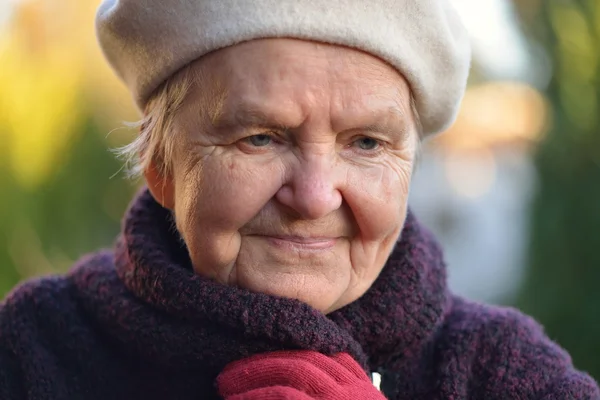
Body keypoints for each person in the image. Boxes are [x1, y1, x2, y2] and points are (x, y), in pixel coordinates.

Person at [0, 0, 598, 399]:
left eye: (366, 143)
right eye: (259, 137)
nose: (313, 196)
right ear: (161, 167)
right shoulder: (33, 347)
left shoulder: (497, 369)